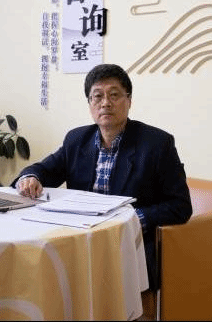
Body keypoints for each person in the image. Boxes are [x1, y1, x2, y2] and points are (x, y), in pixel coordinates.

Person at [12, 63, 192, 292]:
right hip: (78, 242)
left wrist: (130, 220)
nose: (105, 103)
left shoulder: (157, 144)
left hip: (128, 246)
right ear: (89, 103)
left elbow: (180, 206)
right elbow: (45, 170)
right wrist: (30, 177)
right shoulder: (77, 139)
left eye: (114, 95)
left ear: (129, 100)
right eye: (97, 96)